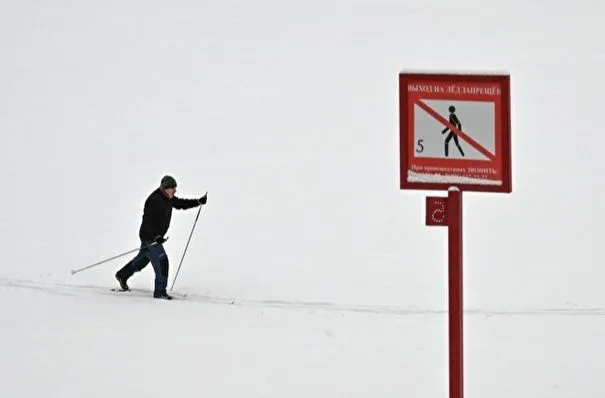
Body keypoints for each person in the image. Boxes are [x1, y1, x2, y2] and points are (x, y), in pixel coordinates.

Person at [115, 175, 207, 299]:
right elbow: (148, 222)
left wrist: (198, 202)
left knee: (143, 259)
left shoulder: (168, 198)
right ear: (165, 188)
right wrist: (156, 237)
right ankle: (160, 292)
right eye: (173, 188)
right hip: (150, 237)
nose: (175, 191)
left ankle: (122, 275)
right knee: (162, 261)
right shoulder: (154, 200)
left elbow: (180, 203)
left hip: (154, 237)